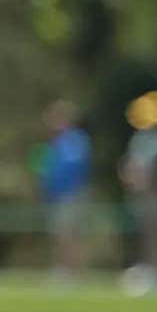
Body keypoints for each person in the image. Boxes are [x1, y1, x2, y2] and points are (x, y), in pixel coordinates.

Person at [120, 91, 157, 294]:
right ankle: (147, 270)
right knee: (145, 234)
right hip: (141, 194)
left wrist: (149, 178)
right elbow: (131, 163)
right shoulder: (141, 136)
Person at [37, 101, 92, 279]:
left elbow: (75, 167)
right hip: (55, 196)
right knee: (59, 234)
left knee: (71, 234)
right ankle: (62, 269)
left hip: (72, 195)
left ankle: (73, 271)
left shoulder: (75, 140)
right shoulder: (55, 142)